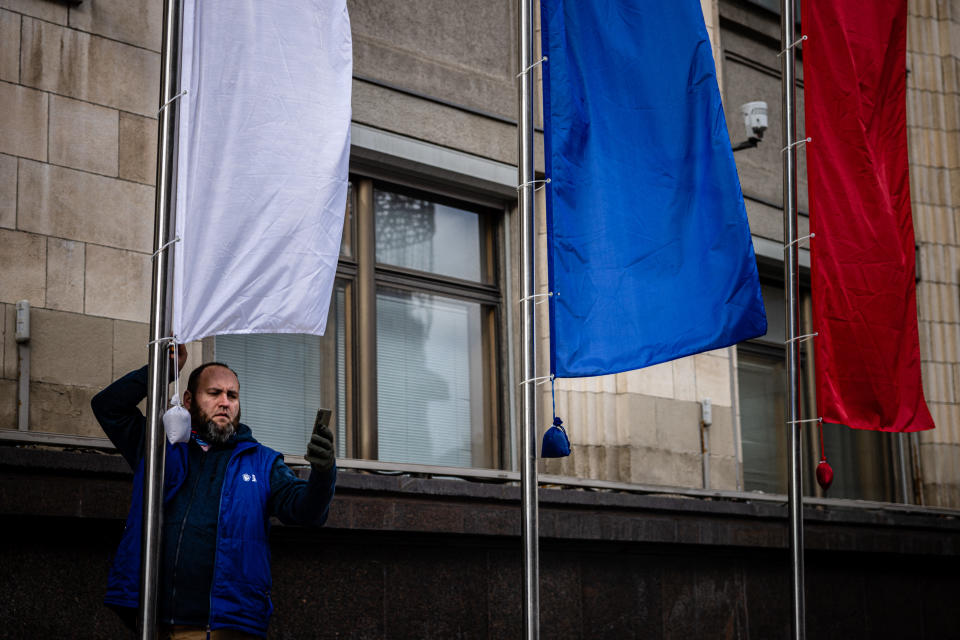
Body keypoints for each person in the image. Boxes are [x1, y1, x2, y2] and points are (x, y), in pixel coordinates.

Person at [91, 345, 336, 639]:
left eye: (232, 396)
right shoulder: (158, 448)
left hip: (224, 626)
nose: (225, 402)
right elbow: (107, 407)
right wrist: (161, 372)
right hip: (152, 622)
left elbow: (308, 512)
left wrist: (323, 473)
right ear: (189, 400)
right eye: (214, 393)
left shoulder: (262, 462)